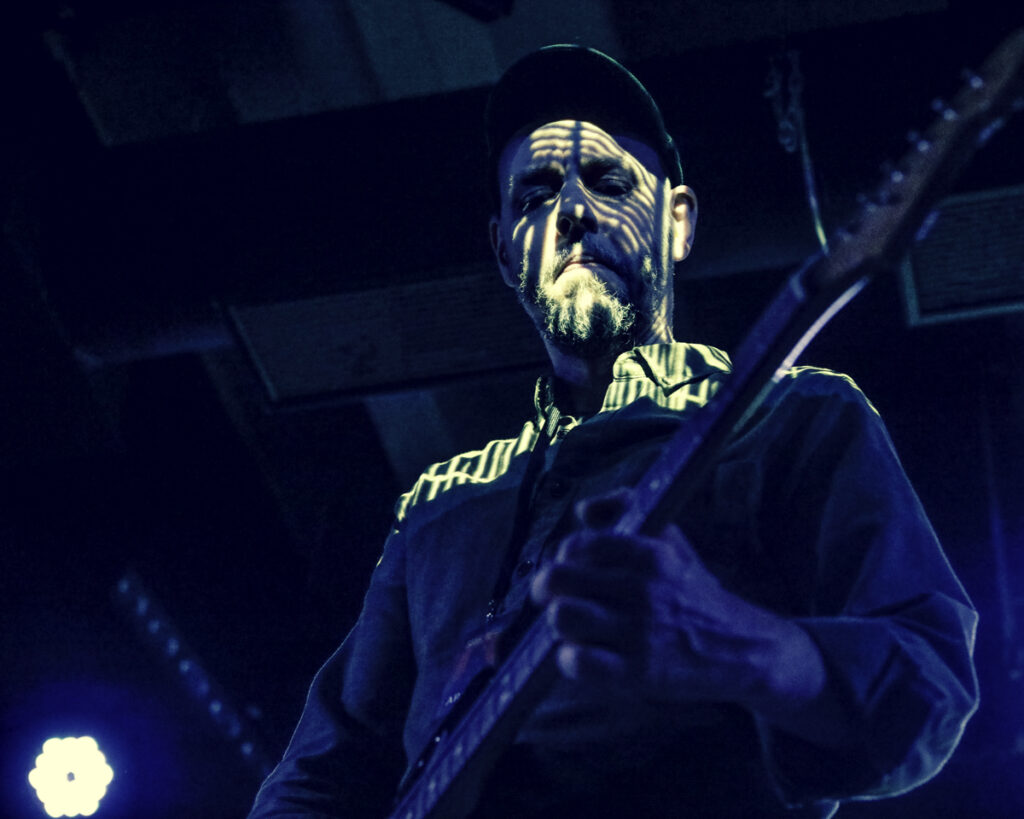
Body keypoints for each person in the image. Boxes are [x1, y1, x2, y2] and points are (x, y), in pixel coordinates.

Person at [248, 45, 978, 818]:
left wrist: (741, 644)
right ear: (504, 251)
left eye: (608, 182)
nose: (571, 211)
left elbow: (929, 687)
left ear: (678, 222)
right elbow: (323, 770)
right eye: (535, 194)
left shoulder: (795, 413)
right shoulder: (436, 500)